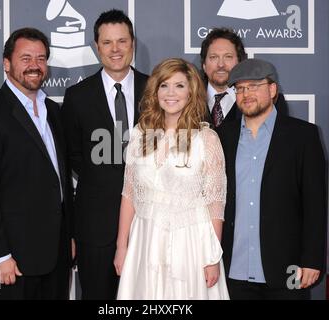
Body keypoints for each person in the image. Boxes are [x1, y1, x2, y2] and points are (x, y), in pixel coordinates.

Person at [0, 27, 73, 300]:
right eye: (26, 58)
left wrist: (68, 237)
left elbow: (58, 180)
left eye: (41, 58)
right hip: (12, 261)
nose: (34, 66)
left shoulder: (55, 112)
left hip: (56, 258)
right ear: (7, 63)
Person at [114, 58, 230, 299]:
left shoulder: (206, 139)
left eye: (179, 86)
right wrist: (121, 247)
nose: (170, 93)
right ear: (155, 91)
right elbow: (129, 194)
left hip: (190, 243)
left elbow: (215, 204)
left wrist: (212, 257)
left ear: (191, 92)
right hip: (144, 240)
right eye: (164, 85)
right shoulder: (139, 134)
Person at [217, 58, 326, 300]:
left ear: (273, 89)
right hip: (233, 269)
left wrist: (311, 260)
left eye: (254, 86)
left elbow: (314, 204)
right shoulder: (222, 137)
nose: (246, 94)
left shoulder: (303, 136)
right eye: (240, 88)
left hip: (287, 268)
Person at [61, 9, 148, 300]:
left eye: (122, 41)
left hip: (150, 222)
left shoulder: (157, 91)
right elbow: (72, 154)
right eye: (108, 42)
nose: (115, 49)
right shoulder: (77, 97)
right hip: (95, 227)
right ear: (96, 46)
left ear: (132, 43)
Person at [200, 27, 288, 127]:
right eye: (213, 57)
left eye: (228, 57)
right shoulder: (187, 99)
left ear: (240, 62)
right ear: (204, 65)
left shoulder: (270, 100)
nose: (221, 64)